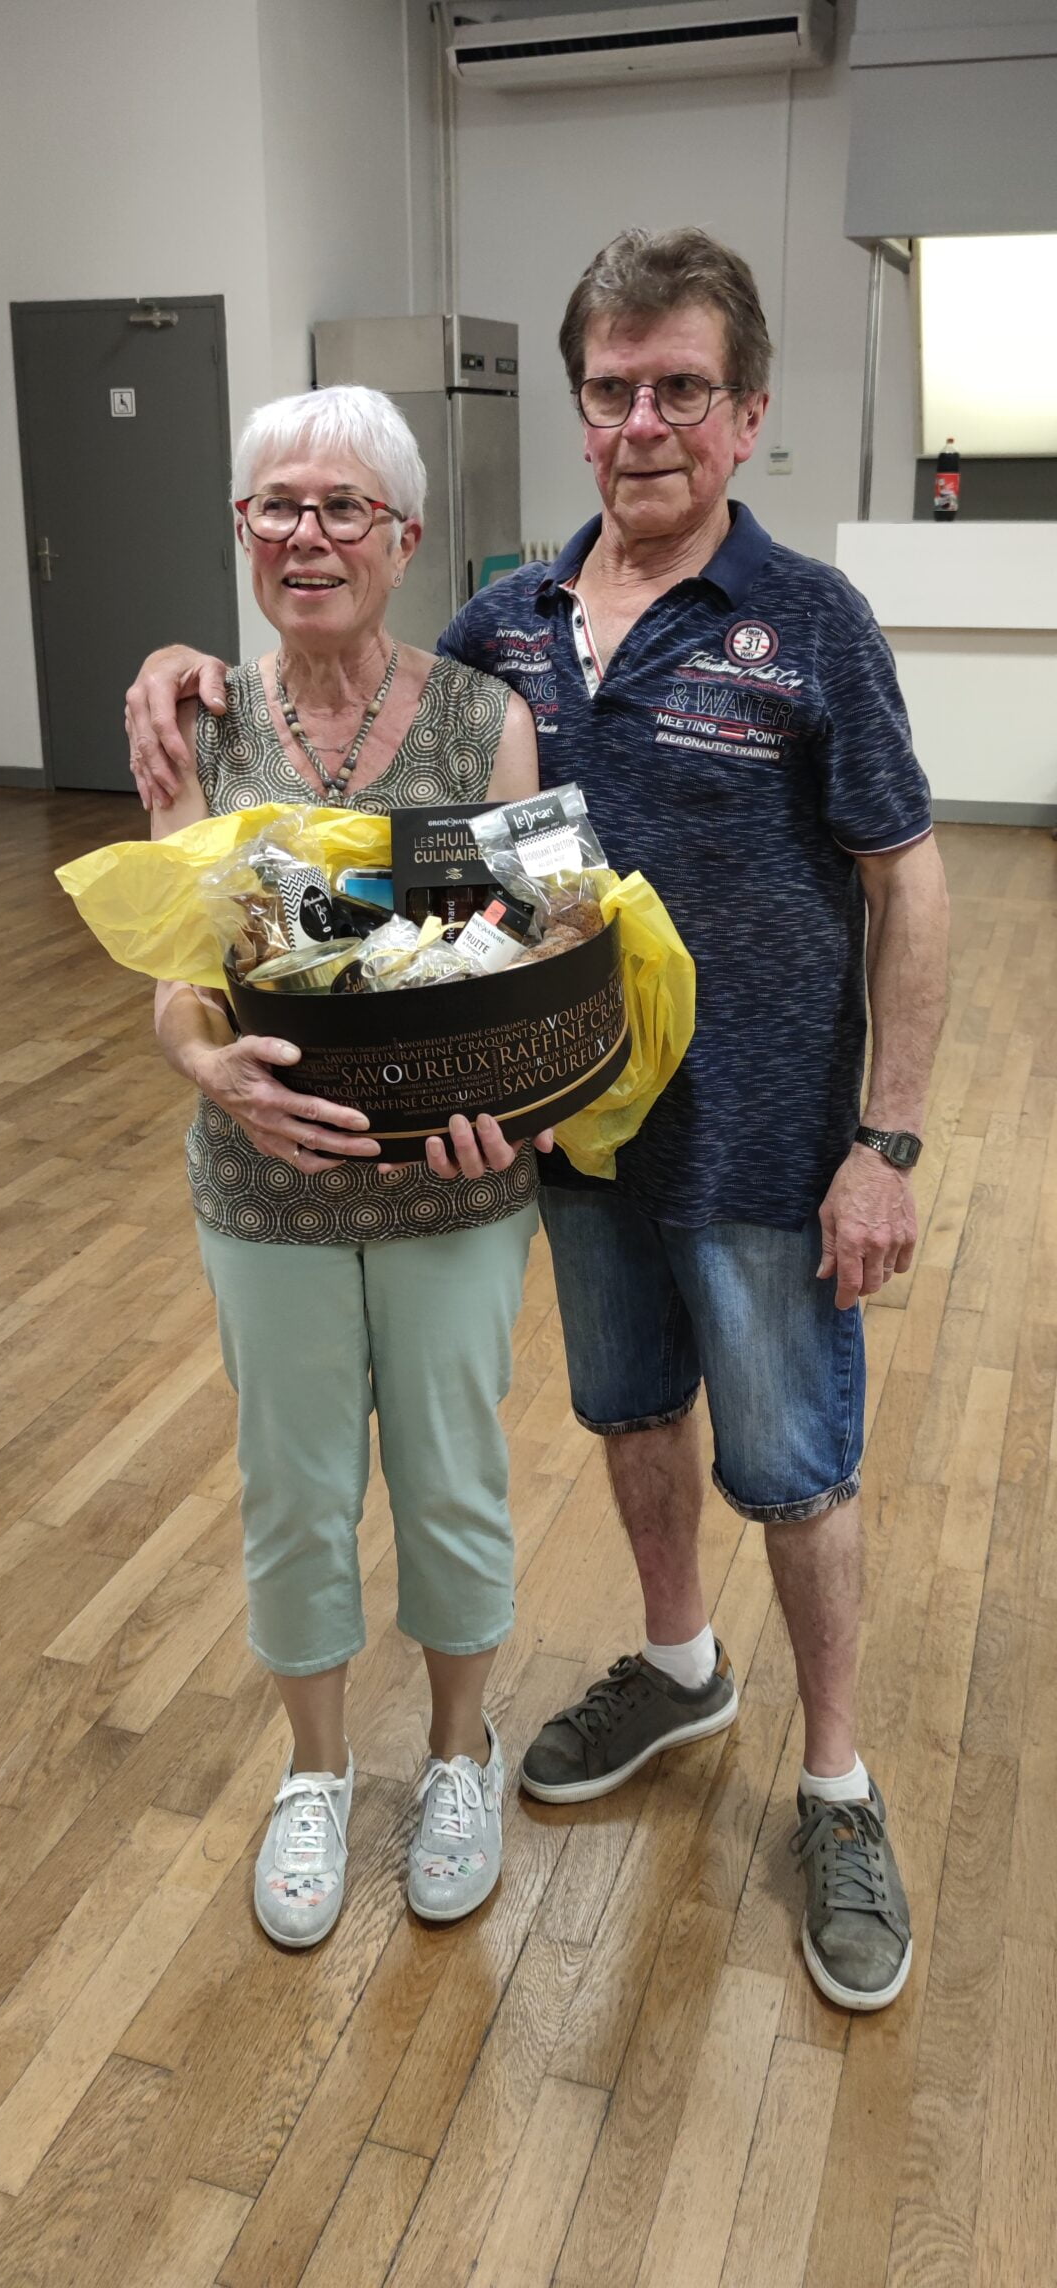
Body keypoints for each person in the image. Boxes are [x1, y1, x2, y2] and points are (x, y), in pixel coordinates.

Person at [127, 230, 950, 2014]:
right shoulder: (506, 630)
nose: (641, 422)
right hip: (564, 1147)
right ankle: (675, 1664)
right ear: (578, 408)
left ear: (746, 414)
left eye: (681, 391)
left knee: (797, 1467)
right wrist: (186, 658)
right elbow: (350, 741)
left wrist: (882, 1143)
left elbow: (910, 881)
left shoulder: (815, 623)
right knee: (628, 1414)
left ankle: (839, 1785)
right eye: (611, 390)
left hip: (756, 1141)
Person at [149, 381, 550, 1951]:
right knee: (295, 1488)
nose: (306, 536)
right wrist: (198, 1063)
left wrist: (510, 1099)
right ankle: (315, 1775)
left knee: (453, 1479)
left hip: (453, 1185)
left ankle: (461, 1753)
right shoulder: (198, 719)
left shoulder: (482, 720)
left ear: (406, 536)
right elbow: (177, 961)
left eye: (342, 510)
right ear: (242, 529)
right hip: (265, 1189)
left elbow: (535, 951)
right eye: (275, 507)